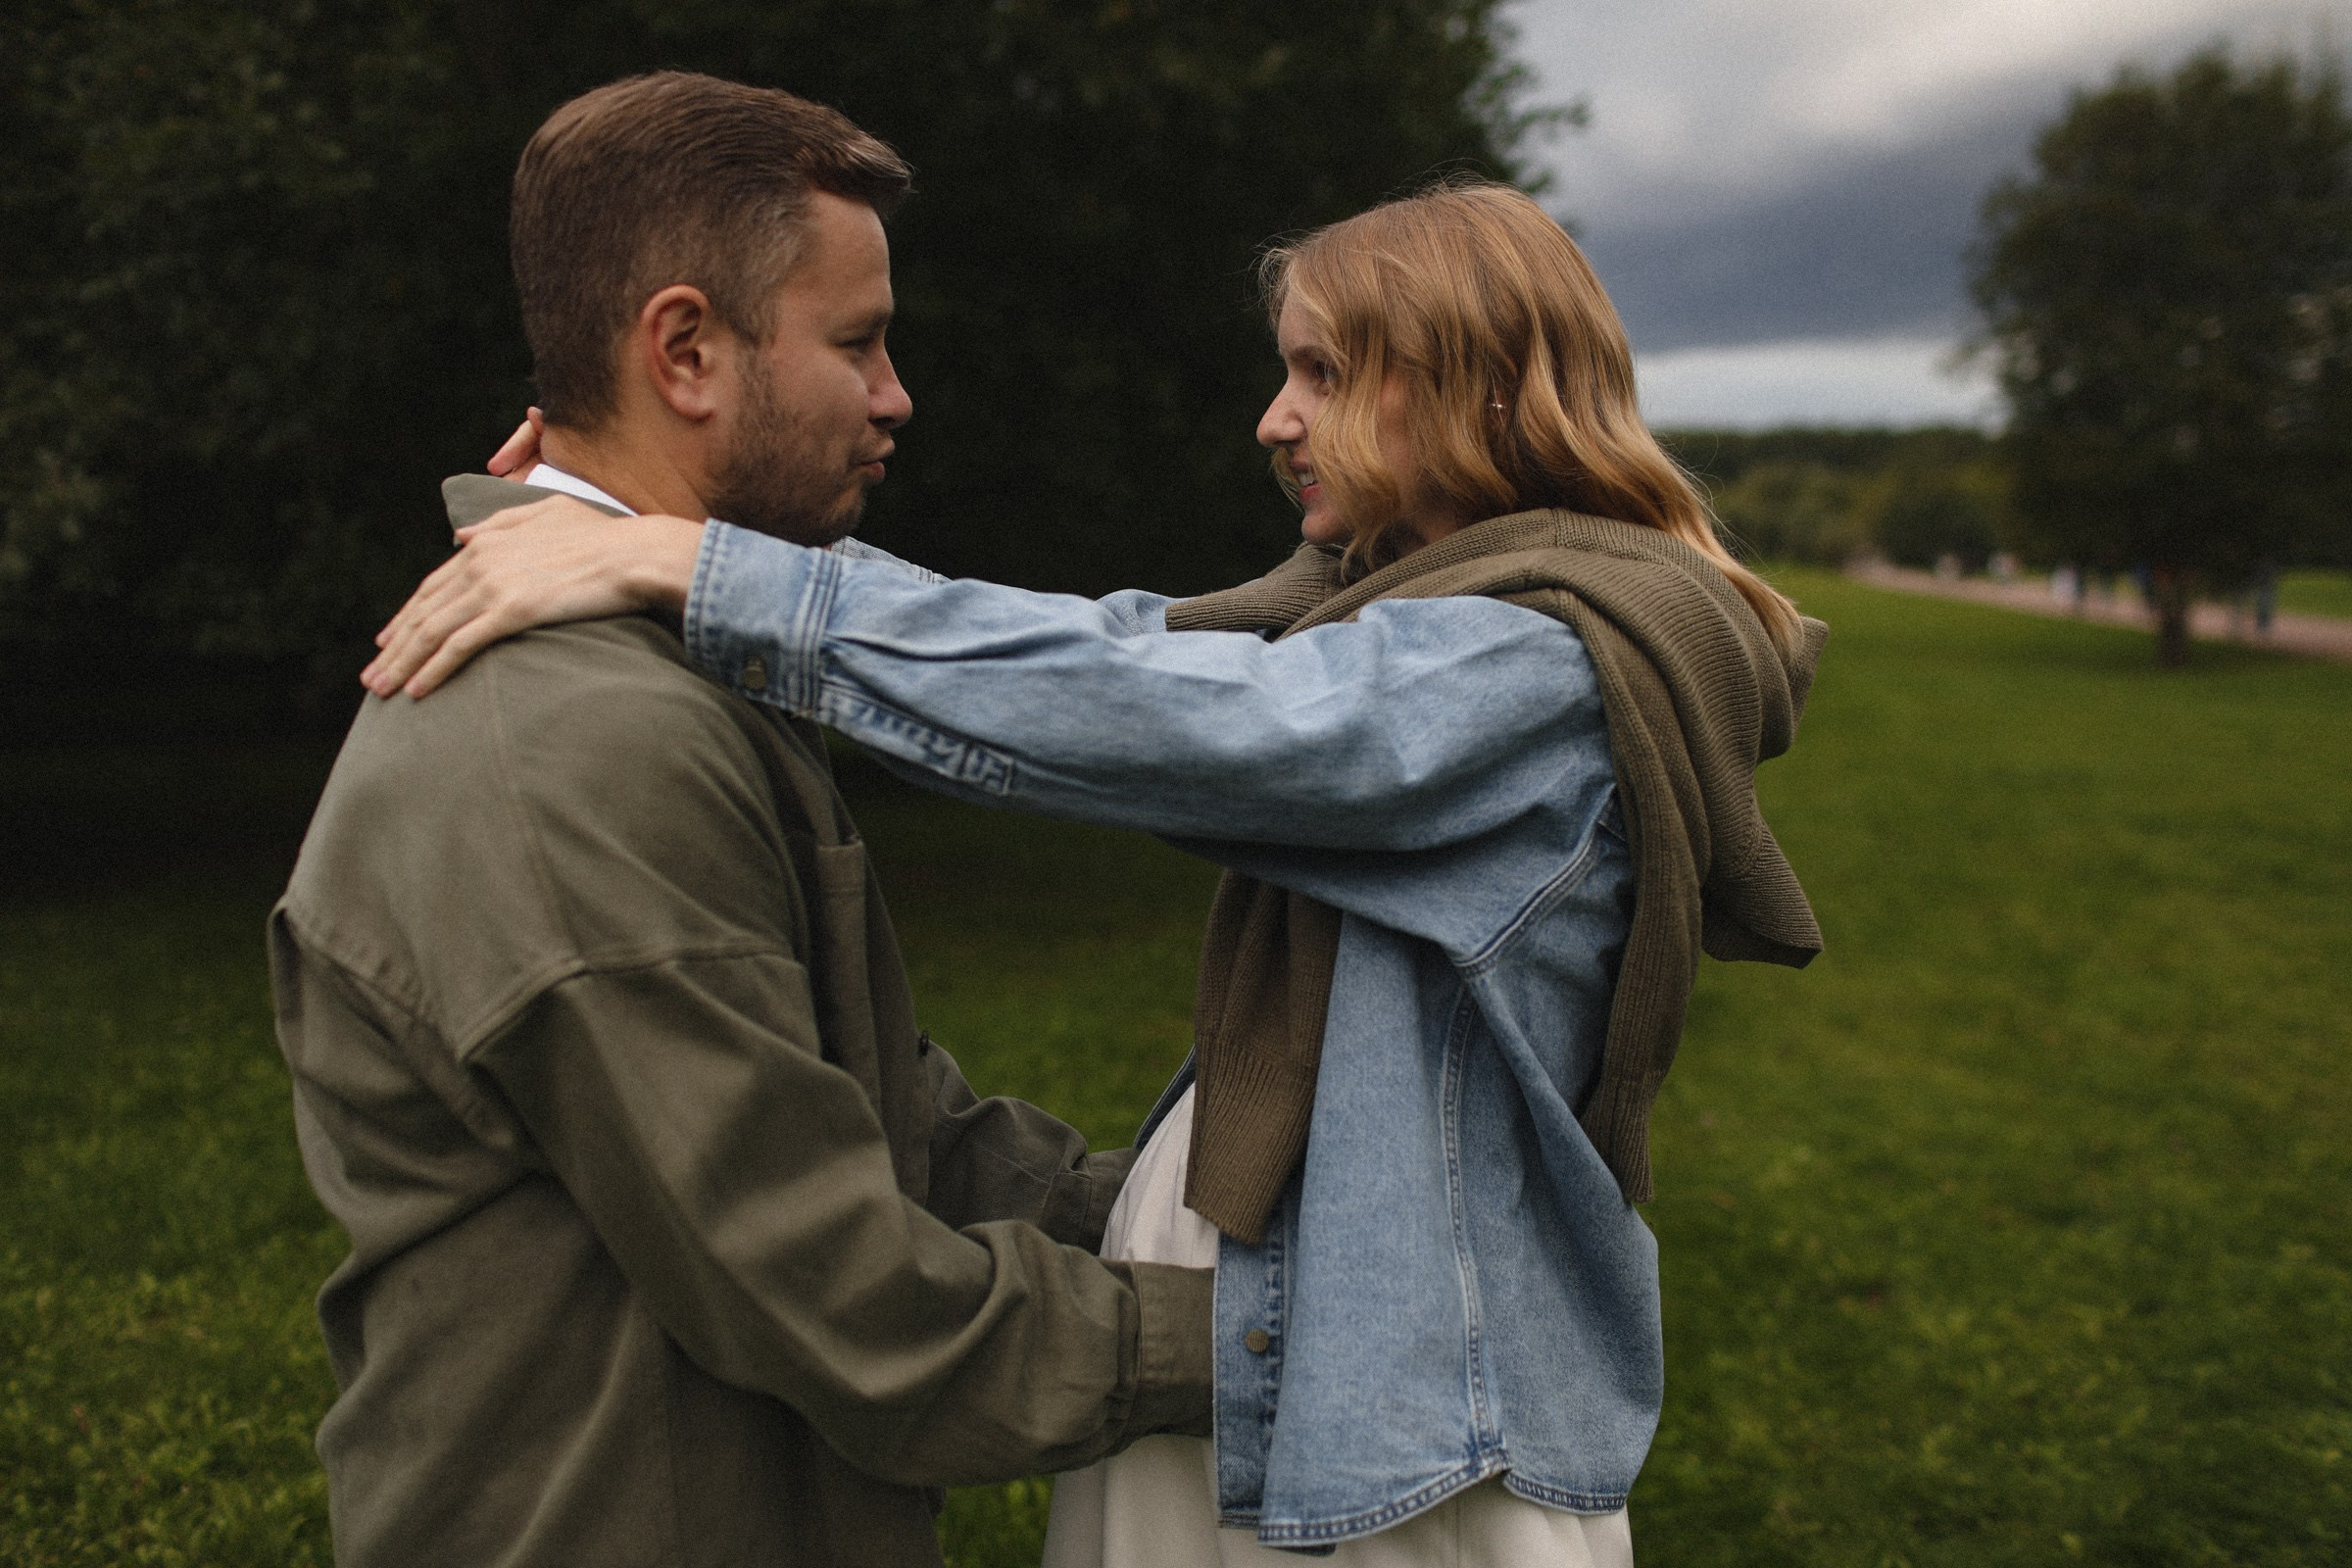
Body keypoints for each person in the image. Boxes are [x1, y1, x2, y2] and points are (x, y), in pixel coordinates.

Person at [368, 179, 1829, 1563]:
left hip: (1390, 1441)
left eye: (1320, 372)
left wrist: (699, 569)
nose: (1276, 419)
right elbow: (1126, 654)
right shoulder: (1384, 628)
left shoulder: (1540, 673)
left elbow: (1171, 713)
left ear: (1468, 383)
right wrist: (609, 505)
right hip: (1284, 1371)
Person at [271, 73, 1216, 1568]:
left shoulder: (670, 671)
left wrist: (1197, 1210)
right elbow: (848, 1301)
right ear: (688, 350)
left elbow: (889, 1126)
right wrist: (1269, 1344)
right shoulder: (575, 747)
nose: (898, 392)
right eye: (858, 342)